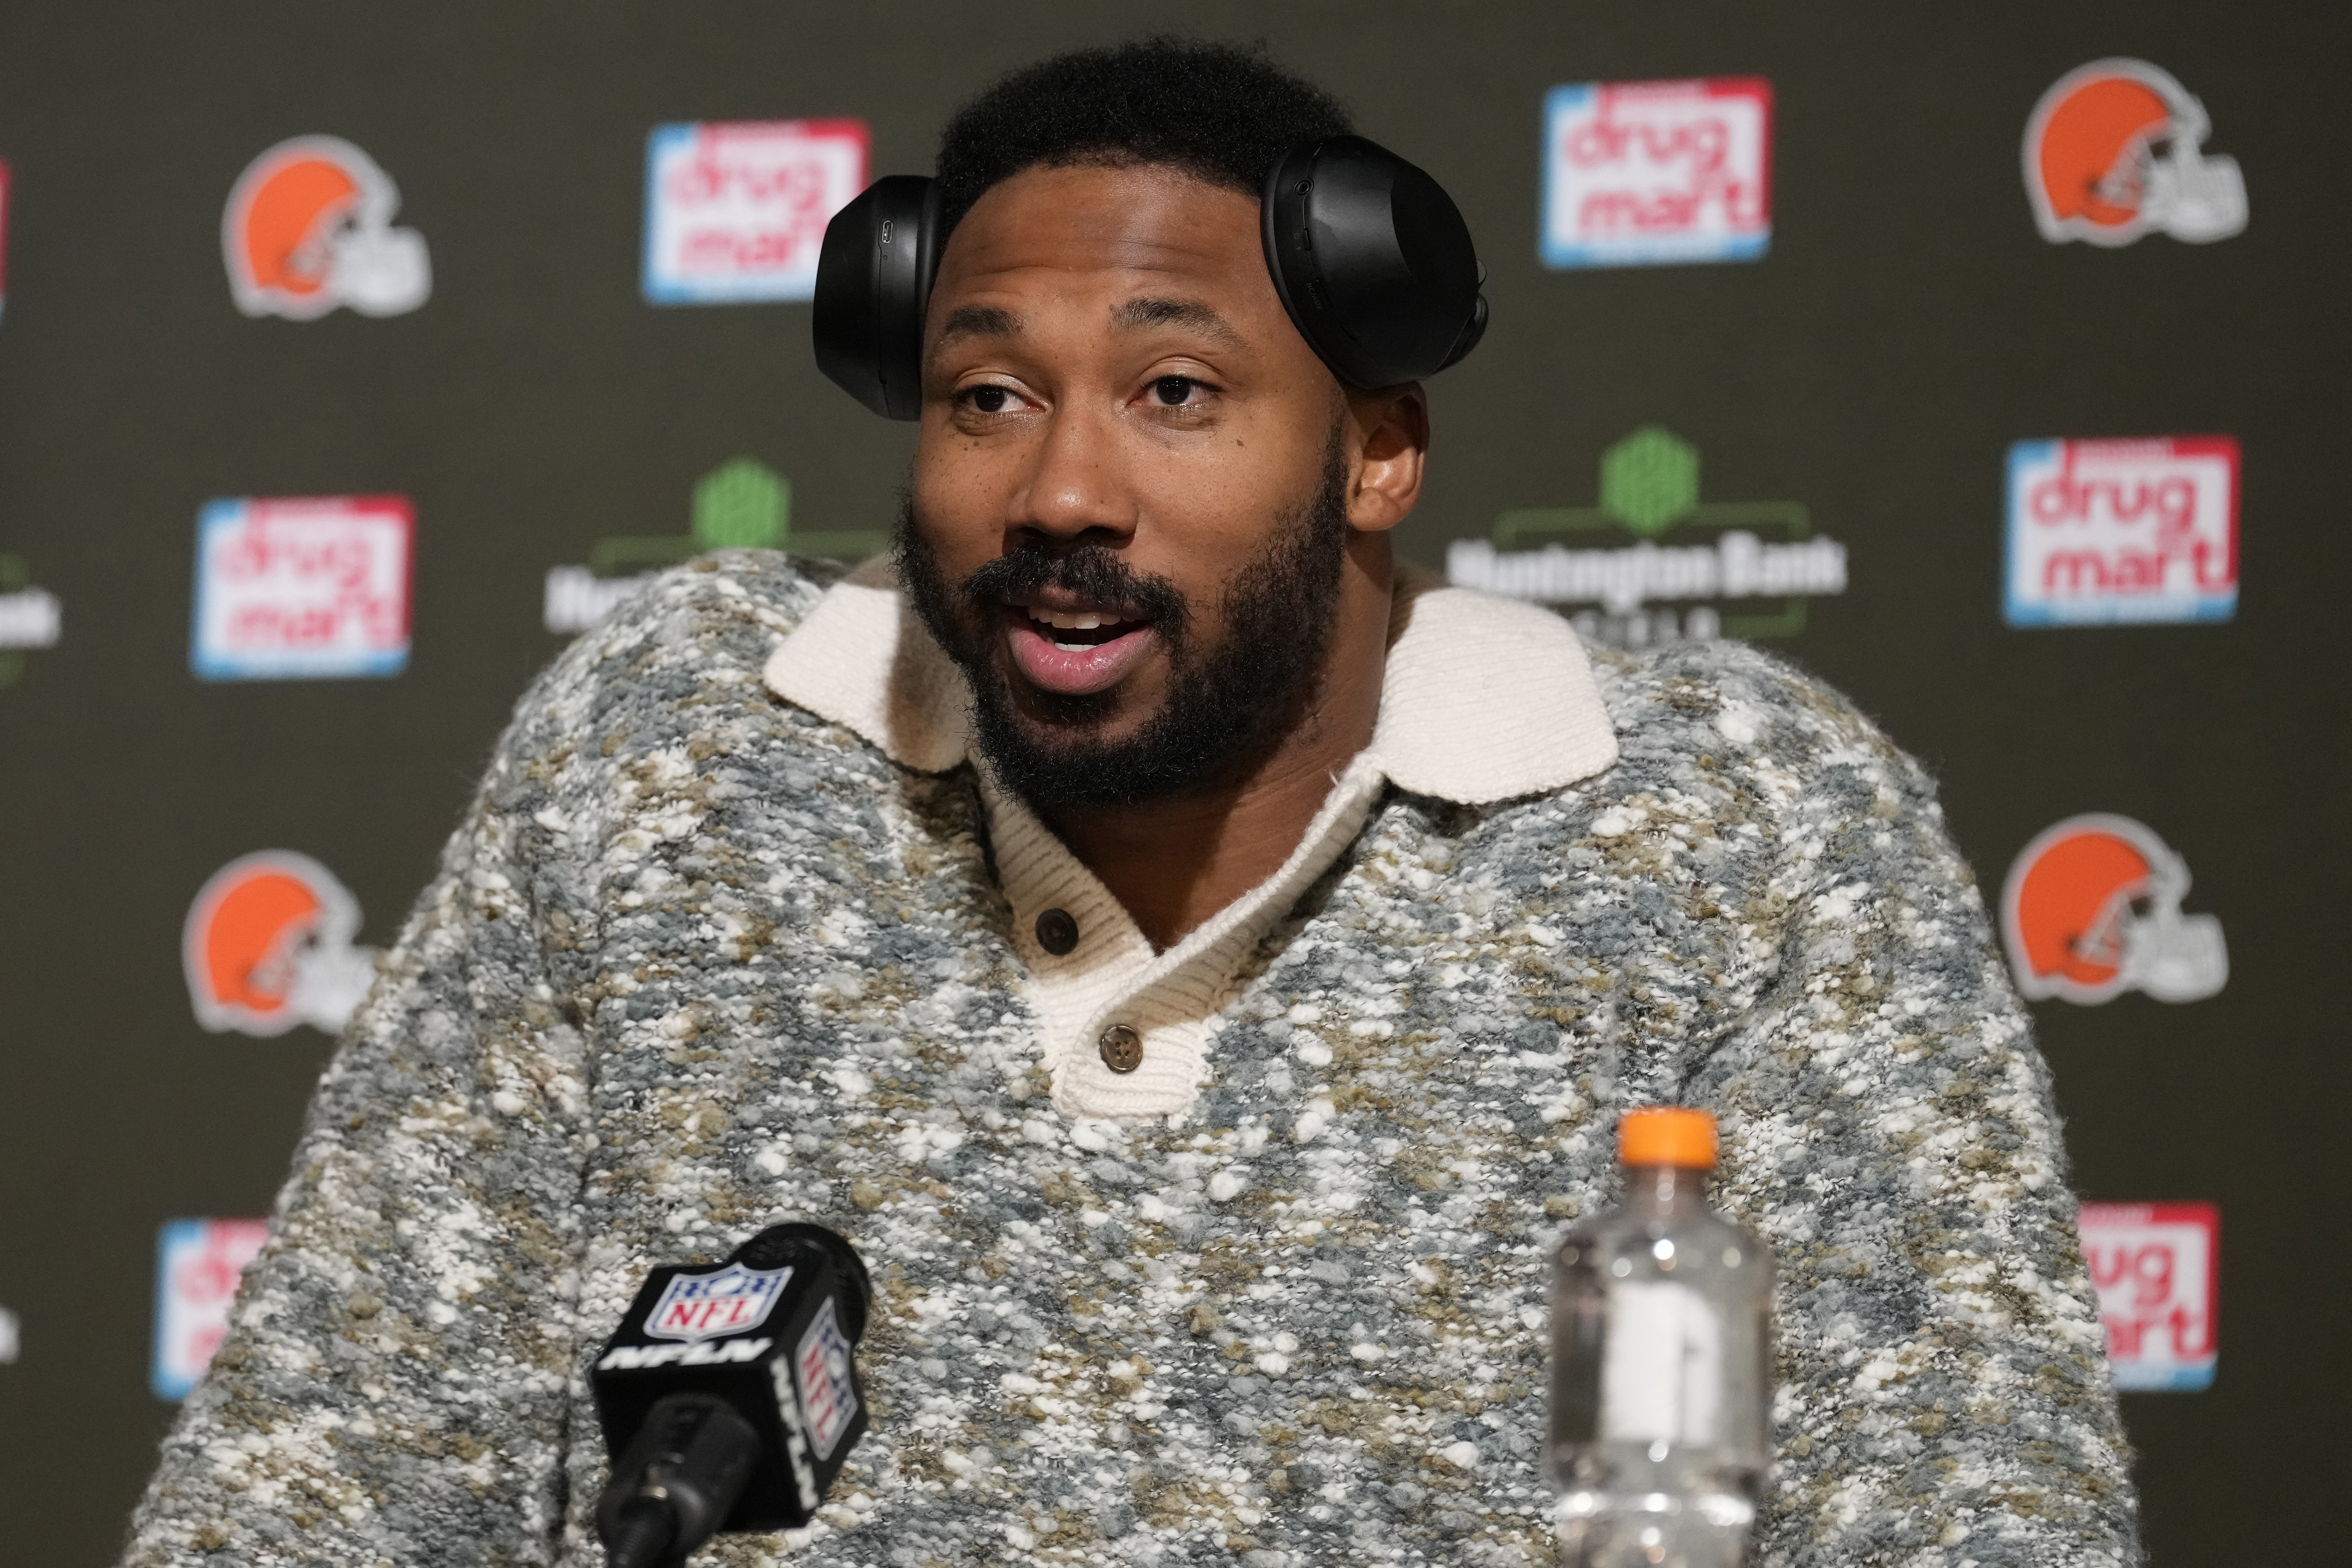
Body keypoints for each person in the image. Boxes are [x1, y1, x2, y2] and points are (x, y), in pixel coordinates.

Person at [123, 39, 2141, 1568]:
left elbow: (1978, 1504)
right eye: (987, 396)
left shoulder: (1742, 823)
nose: (1061, 490)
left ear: (1374, 453)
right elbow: (323, 1462)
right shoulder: (679, 746)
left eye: (1175, 393)